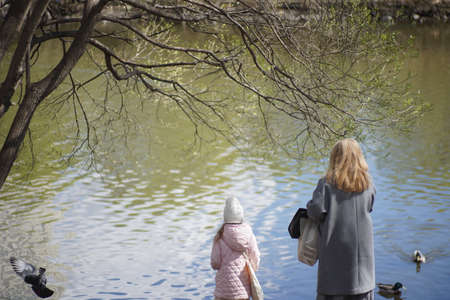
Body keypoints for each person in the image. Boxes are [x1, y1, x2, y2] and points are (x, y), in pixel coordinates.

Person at [307, 138, 376, 300]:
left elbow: (315, 211)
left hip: (333, 269)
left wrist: (309, 205)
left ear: (335, 158)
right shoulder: (368, 183)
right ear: (359, 157)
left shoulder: (326, 184)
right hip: (363, 271)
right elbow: (370, 207)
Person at [211, 196, 261, 300]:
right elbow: (255, 256)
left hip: (223, 291)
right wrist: (252, 268)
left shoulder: (219, 236)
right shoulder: (248, 233)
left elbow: (215, 263)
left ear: (225, 217)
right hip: (243, 291)